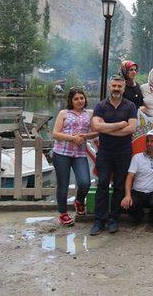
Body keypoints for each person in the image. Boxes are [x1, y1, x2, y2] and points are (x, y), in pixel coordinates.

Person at [90, 75, 138, 236]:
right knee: (102, 184)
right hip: (105, 151)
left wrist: (107, 128)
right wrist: (119, 125)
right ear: (109, 87)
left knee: (119, 185)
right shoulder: (100, 106)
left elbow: (131, 129)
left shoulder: (130, 106)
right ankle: (99, 220)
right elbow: (96, 127)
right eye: (114, 86)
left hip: (123, 152)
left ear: (124, 89)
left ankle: (113, 219)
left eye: (119, 86)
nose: (116, 89)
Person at [51, 87, 96, 226]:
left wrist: (85, 136)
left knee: (85, 182)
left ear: (85, 99)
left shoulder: (90, 114)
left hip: (79, 154)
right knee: (63, 184)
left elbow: (96, 132)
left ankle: (79, 201)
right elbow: (55, 134)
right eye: (76, 99)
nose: (79, 101)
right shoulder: (63, 113)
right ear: (71, 100)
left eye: (81, 98)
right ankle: (63, 214)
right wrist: (72, 138)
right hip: (61, 153)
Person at [120, 130, 153, 225]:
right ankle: (138, 217)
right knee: (128, 203)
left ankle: (152, 217)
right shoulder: (137, 157)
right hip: (137, 192)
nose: (149, 143)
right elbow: (130, 177)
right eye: (147, 141)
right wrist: (127, 195)